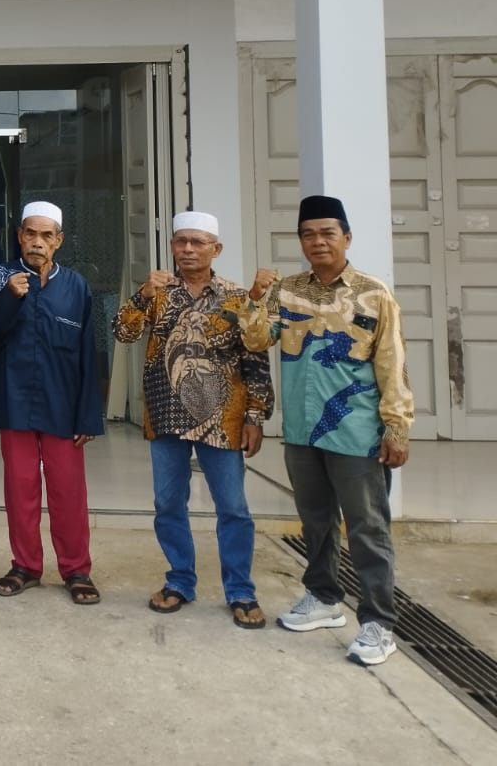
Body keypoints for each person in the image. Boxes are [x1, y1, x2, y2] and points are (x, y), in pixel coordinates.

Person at [237, 194, 413, 667]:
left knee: (367, 527)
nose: (317, 241)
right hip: (302, 430)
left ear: (346, 237)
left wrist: (397, 427)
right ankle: (323, 597)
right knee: (315, 521)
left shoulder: (374, 294)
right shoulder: (287, 290)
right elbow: (255, 339)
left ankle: (379, 623)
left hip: (356, 430)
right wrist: (255, 297)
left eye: (327, 233)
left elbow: (392, 363)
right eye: (308, 234)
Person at [112, 210, 272, 629]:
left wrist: (256, 415)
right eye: (180, 241)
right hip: (166, 414)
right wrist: (143, 293)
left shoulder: (237, 297)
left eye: (197, 242)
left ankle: (240, 590)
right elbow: (123, 333)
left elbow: (255, 357)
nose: (187, 249)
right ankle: (180, 580)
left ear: (216, 249)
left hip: (223, 418)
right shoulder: (158, 293)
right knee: (168, 504)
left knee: (233, 507)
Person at [0, 200, 103, 606]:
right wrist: (11, 298)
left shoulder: (77, 287)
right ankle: (25, 566)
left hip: (63, 406)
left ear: (59, 241)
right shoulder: (0, 278)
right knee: (20, 490)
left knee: (69, 492)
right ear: (19, 236)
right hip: (16, 402)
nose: (37, 242)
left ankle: (76, 569)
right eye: (30, 233)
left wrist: (88, 416)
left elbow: (87, 354)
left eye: (46, 235)